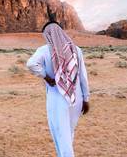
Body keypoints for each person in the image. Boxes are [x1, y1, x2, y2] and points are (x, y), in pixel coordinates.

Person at [26, 21, 90, 157]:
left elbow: (31, 64)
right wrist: (86, 99)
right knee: (69, 133)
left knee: (62, 135)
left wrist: (46, 77)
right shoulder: (76, 49)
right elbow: (83, 76)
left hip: (57, 97)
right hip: (76, 97)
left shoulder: (44, 50)